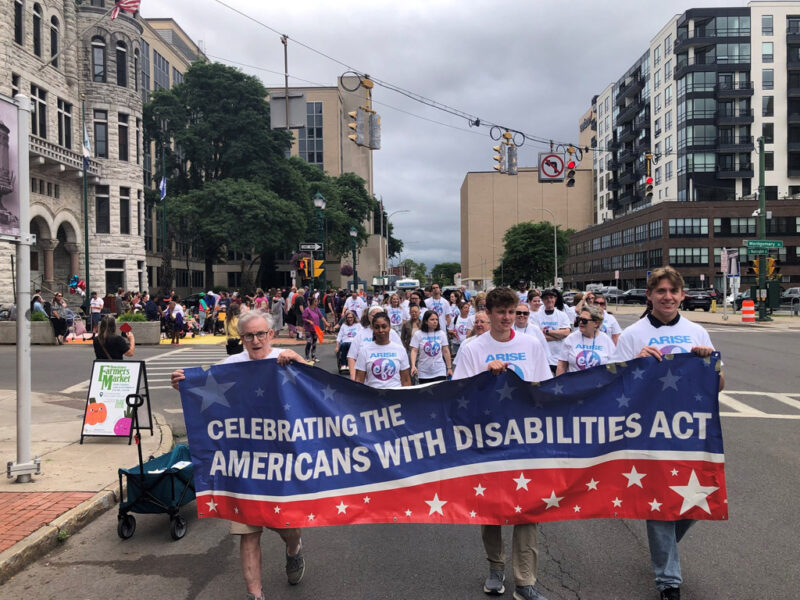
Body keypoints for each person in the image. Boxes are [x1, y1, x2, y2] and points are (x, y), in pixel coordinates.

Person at [170, 310, 307, 600]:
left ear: (271, 335)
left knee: (287, 527)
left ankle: (293, 549)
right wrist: (183, 383)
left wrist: (299, 362)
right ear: (241, 338)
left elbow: (311, 389)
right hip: (242, 467)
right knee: (248, 534)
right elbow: (205, 392)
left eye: (260, 334)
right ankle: (255, 596)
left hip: (282, 465)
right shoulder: (230, 366)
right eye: (248, 335)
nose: (255, 341)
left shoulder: (284, 357)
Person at [613, 266, 724, 600]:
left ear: (682, 295)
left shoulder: (697, 331)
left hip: (690, 430)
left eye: (673, 292)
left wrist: (709, 363)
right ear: (649, 295)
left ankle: (663, 549)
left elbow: (719, 385)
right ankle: (669, 583)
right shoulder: (633, 334)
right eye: (660, 291)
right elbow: (614, 385)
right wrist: (635, 362)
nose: (667, 297)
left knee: (696, 498)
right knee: (659, 502)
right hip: (648, 431)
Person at [452, 288, 551, 600]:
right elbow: (459, 397)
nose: (507, 318)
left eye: (512, 312)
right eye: (501, 312)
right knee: (491, 509)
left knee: (528, 510)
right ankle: (496, 567)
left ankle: (525, 581)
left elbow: (544, 389)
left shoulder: (531, 344)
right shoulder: (472, 349)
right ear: (489, 312)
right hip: (488, 440)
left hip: (525, 439)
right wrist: (486, 376)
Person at [354, 312, 411, 388]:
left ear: (389, 327)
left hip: (396, 397)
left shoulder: (400, 350)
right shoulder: (364, 351)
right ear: (373, 328)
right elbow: (359, 380)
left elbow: (406, 380)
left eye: (384, 327)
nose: (380, 330)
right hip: (373, 396)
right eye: (377, 327)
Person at [347, 306, 403, 380]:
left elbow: (402, 354)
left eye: (379, 315)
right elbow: (352, 357)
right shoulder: (360, 334)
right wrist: (353, 376)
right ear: (368, 317)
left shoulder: (392, 333)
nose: (376, 318)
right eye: (373, 315)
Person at [555, 305, 614, 375]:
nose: (580, 323)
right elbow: (561, 365)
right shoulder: (571, 338)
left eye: (584, 320)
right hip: (575, 384)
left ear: (596, 323)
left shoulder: (606, 340)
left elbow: (613, 366)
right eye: (579, 319)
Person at [409, 310, 452, 384]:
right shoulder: (418, 334)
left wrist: (449, 368)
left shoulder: (441, 334)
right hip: (424, 372)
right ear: (426, 321)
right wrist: (413, 365)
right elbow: (414, 350)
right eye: (432, 319)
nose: (435, 321)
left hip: (439, 370)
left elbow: (446, 351)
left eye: (436, 319)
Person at [537, 289, 572, 374]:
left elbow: (566, 333)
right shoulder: (536, 316)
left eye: (551, 297)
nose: (549, 300)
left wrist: (547, 331)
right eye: (546, 298)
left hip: (559, 357)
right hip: (543, 358)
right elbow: (537, 336)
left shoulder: (562, 315)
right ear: (542, 300)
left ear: (555, 299)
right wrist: (558, 335)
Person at [302, 297, 328, 362]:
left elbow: (321, 317)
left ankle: (313, 356)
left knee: (314, 343)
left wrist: (326, 323)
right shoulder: (307, 310)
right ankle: (307, 357)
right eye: (316, 301)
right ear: (313, 302)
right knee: (309, 342)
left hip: (316, 329)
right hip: (308, 329)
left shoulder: (317, 309)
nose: (317, 302)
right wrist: (309, 321)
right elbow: (304, 318)